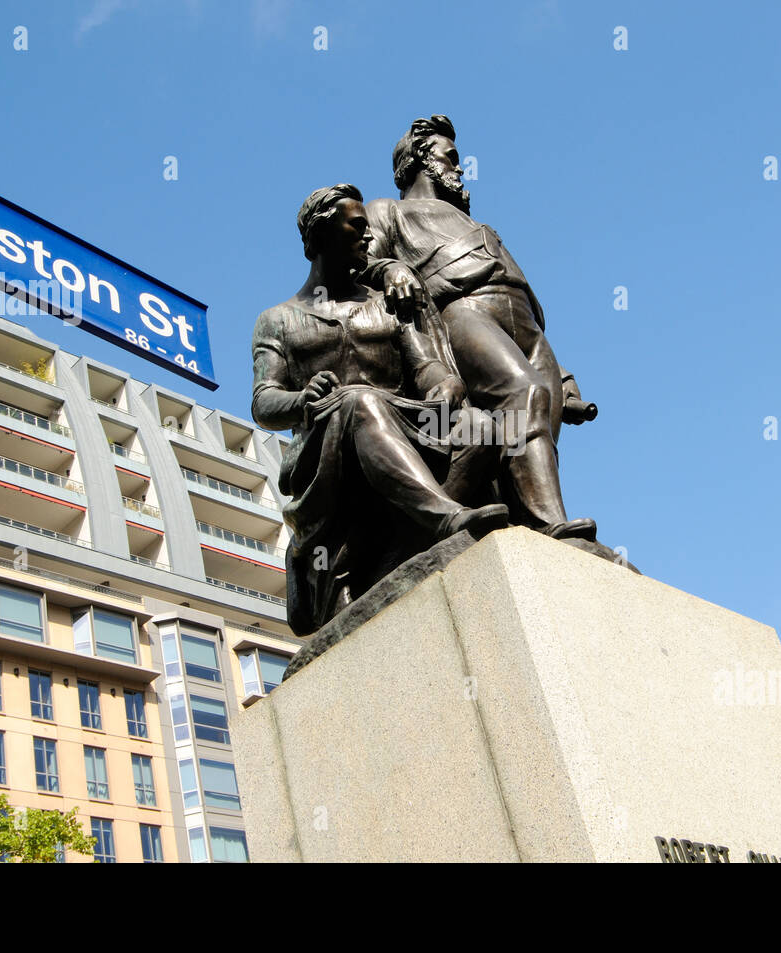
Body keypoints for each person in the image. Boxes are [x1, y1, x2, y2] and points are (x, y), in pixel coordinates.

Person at [251, 183, 508, 634]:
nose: (368, 238)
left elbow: (427, 366)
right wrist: (302, 399)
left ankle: (386, 562)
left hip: (405, 423)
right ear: (320, 235)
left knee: (480, 427)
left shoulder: (385, 304)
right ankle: (443, 518)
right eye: (356, 227)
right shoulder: (278, 319)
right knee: (358, 399)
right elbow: (263, 402)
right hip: (325, 454)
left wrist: (445, 387)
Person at [361, 115, 597, 541]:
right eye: (449, 157)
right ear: (420, 160)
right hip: (464, 311)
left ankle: (538, 524)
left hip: (527, 327)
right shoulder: (388, 211)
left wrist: (565, 376)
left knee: (537, 415)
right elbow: (361, 264)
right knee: (523, 392)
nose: (458, 167)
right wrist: (392, 267)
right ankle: (549, 526)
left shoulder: (480, 226)